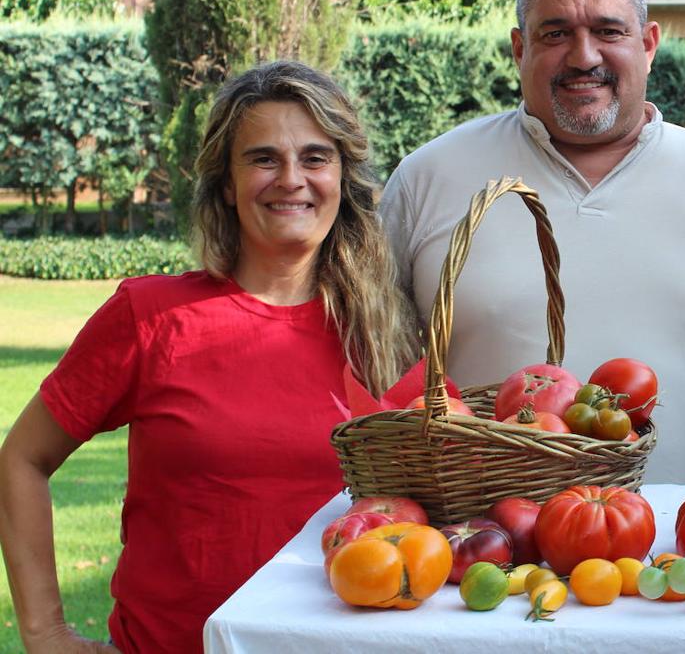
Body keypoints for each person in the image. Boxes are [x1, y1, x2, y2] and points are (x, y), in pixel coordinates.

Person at [0, 61, 422, 653]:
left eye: (315, 157)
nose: (292, 179)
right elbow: (21, 459)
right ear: (226, 182)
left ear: (343, 176)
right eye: (263, 158)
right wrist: (45, 634)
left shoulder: (388, 335)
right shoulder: (149, 316)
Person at [380, 0, 685, 483]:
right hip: (481, 547)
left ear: (648, 43)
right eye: (556, 34)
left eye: (608, 30)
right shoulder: (427, 179)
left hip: (682, 550)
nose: (584, 56)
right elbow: (376, 363)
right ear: (519, 49)